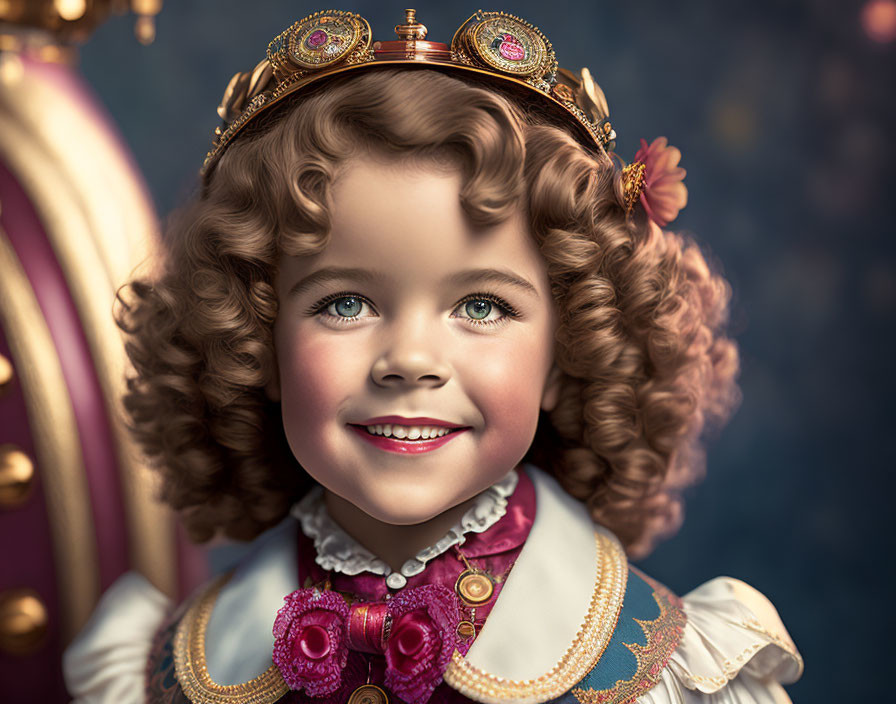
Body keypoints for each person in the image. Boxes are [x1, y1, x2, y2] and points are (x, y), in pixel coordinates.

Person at [63, 9, 803, 704]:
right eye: (344, 303)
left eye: (482, 306)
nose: (410, 360)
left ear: (566, 351)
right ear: (256, 344)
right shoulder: (162, 673)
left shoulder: (666, 674)